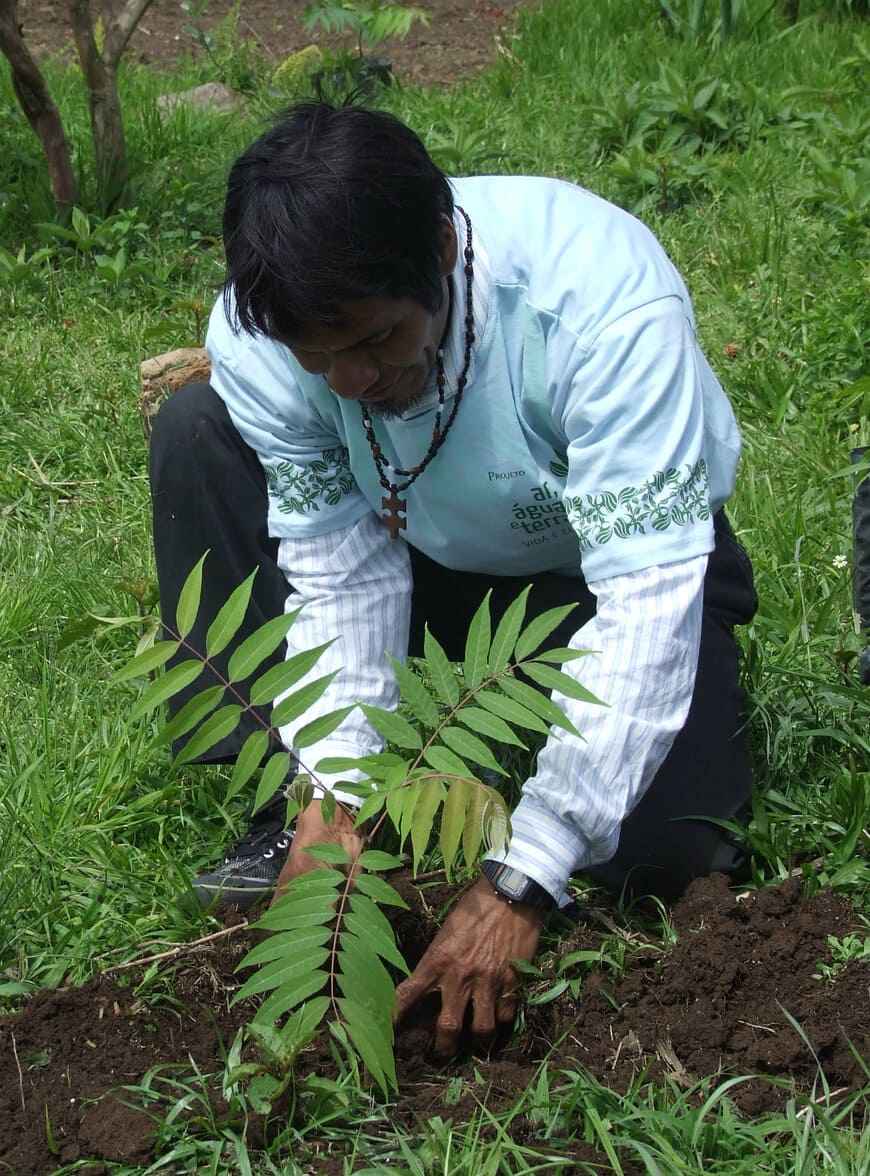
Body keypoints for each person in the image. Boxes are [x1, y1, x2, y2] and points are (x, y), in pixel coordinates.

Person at [149, 101, 757, 1057]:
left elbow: (646, 597)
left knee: (670, 853)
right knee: (196, 430)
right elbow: (342, 573)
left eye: (375, 341)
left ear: (440, 253)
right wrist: (335, 790)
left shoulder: (596, 303)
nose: (349, 382)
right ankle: (287, 813)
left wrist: (523, 877)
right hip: (425, 557)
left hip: (596, 576)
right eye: (320, 358)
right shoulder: (265, 338)